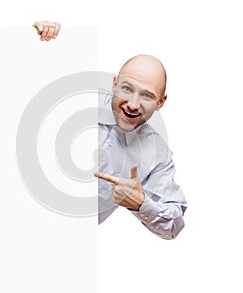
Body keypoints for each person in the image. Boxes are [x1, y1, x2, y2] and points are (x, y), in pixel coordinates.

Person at [33, 21, 187, 240]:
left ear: (161, 103)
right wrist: (42, 38)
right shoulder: (76, 101)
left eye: (147, 95)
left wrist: (141, 204)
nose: (133, 104)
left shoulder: (157, 155)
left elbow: (174, 225)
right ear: (114, 84)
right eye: (126, 88)